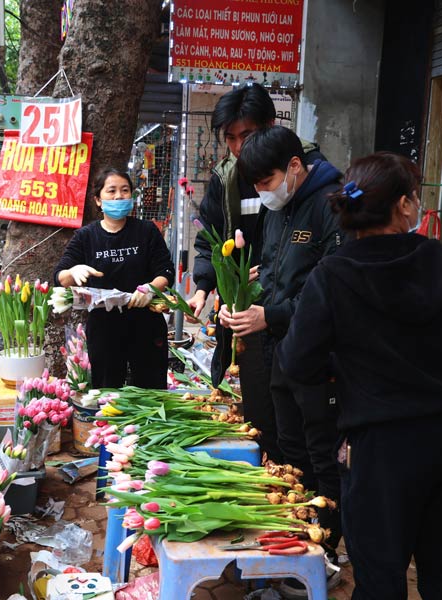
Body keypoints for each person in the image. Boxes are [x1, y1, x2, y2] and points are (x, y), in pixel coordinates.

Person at [278, 156, 442, 599]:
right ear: (404, 206)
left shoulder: (332, 276)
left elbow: (297, 363)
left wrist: (343, 380)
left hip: (383, 447)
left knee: (380, 577)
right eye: (415, 196)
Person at [219, 126, 344, 589]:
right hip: (281, 354)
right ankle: (296, 542)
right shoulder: (279, 208)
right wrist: (250, 290)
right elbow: (279, 270)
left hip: (318, 359)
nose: (262, 193)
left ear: (295, 166)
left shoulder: (332, 203)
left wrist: (269, 314)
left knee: (320, 455)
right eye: (254, 186)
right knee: (289, 452)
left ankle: (325, 552)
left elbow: (329, 292)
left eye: (266, 180)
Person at [186, 83, 324, 464]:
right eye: (229, 138)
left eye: (245, 135)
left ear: (269, 125)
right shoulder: (227, 177)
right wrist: (205, 285)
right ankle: (275, 478)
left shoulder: (305, 176)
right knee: (261, 409)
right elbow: (211, 238)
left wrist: (274, 273)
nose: (236, 147)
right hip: (247, 308)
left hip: (289, 311)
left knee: (296, 424)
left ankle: (297, 487)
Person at [54, 168, 174, 389]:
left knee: (151, 390)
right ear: (98, 200)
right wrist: (73, 272)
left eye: (125, 190)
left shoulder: (146, 231)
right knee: (108, 391)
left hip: (146, 325)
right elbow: (59, 277)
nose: (119, 196)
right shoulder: (86, 236)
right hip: (105, 329)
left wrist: (149, 288)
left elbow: (166, 271)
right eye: (111, 191)